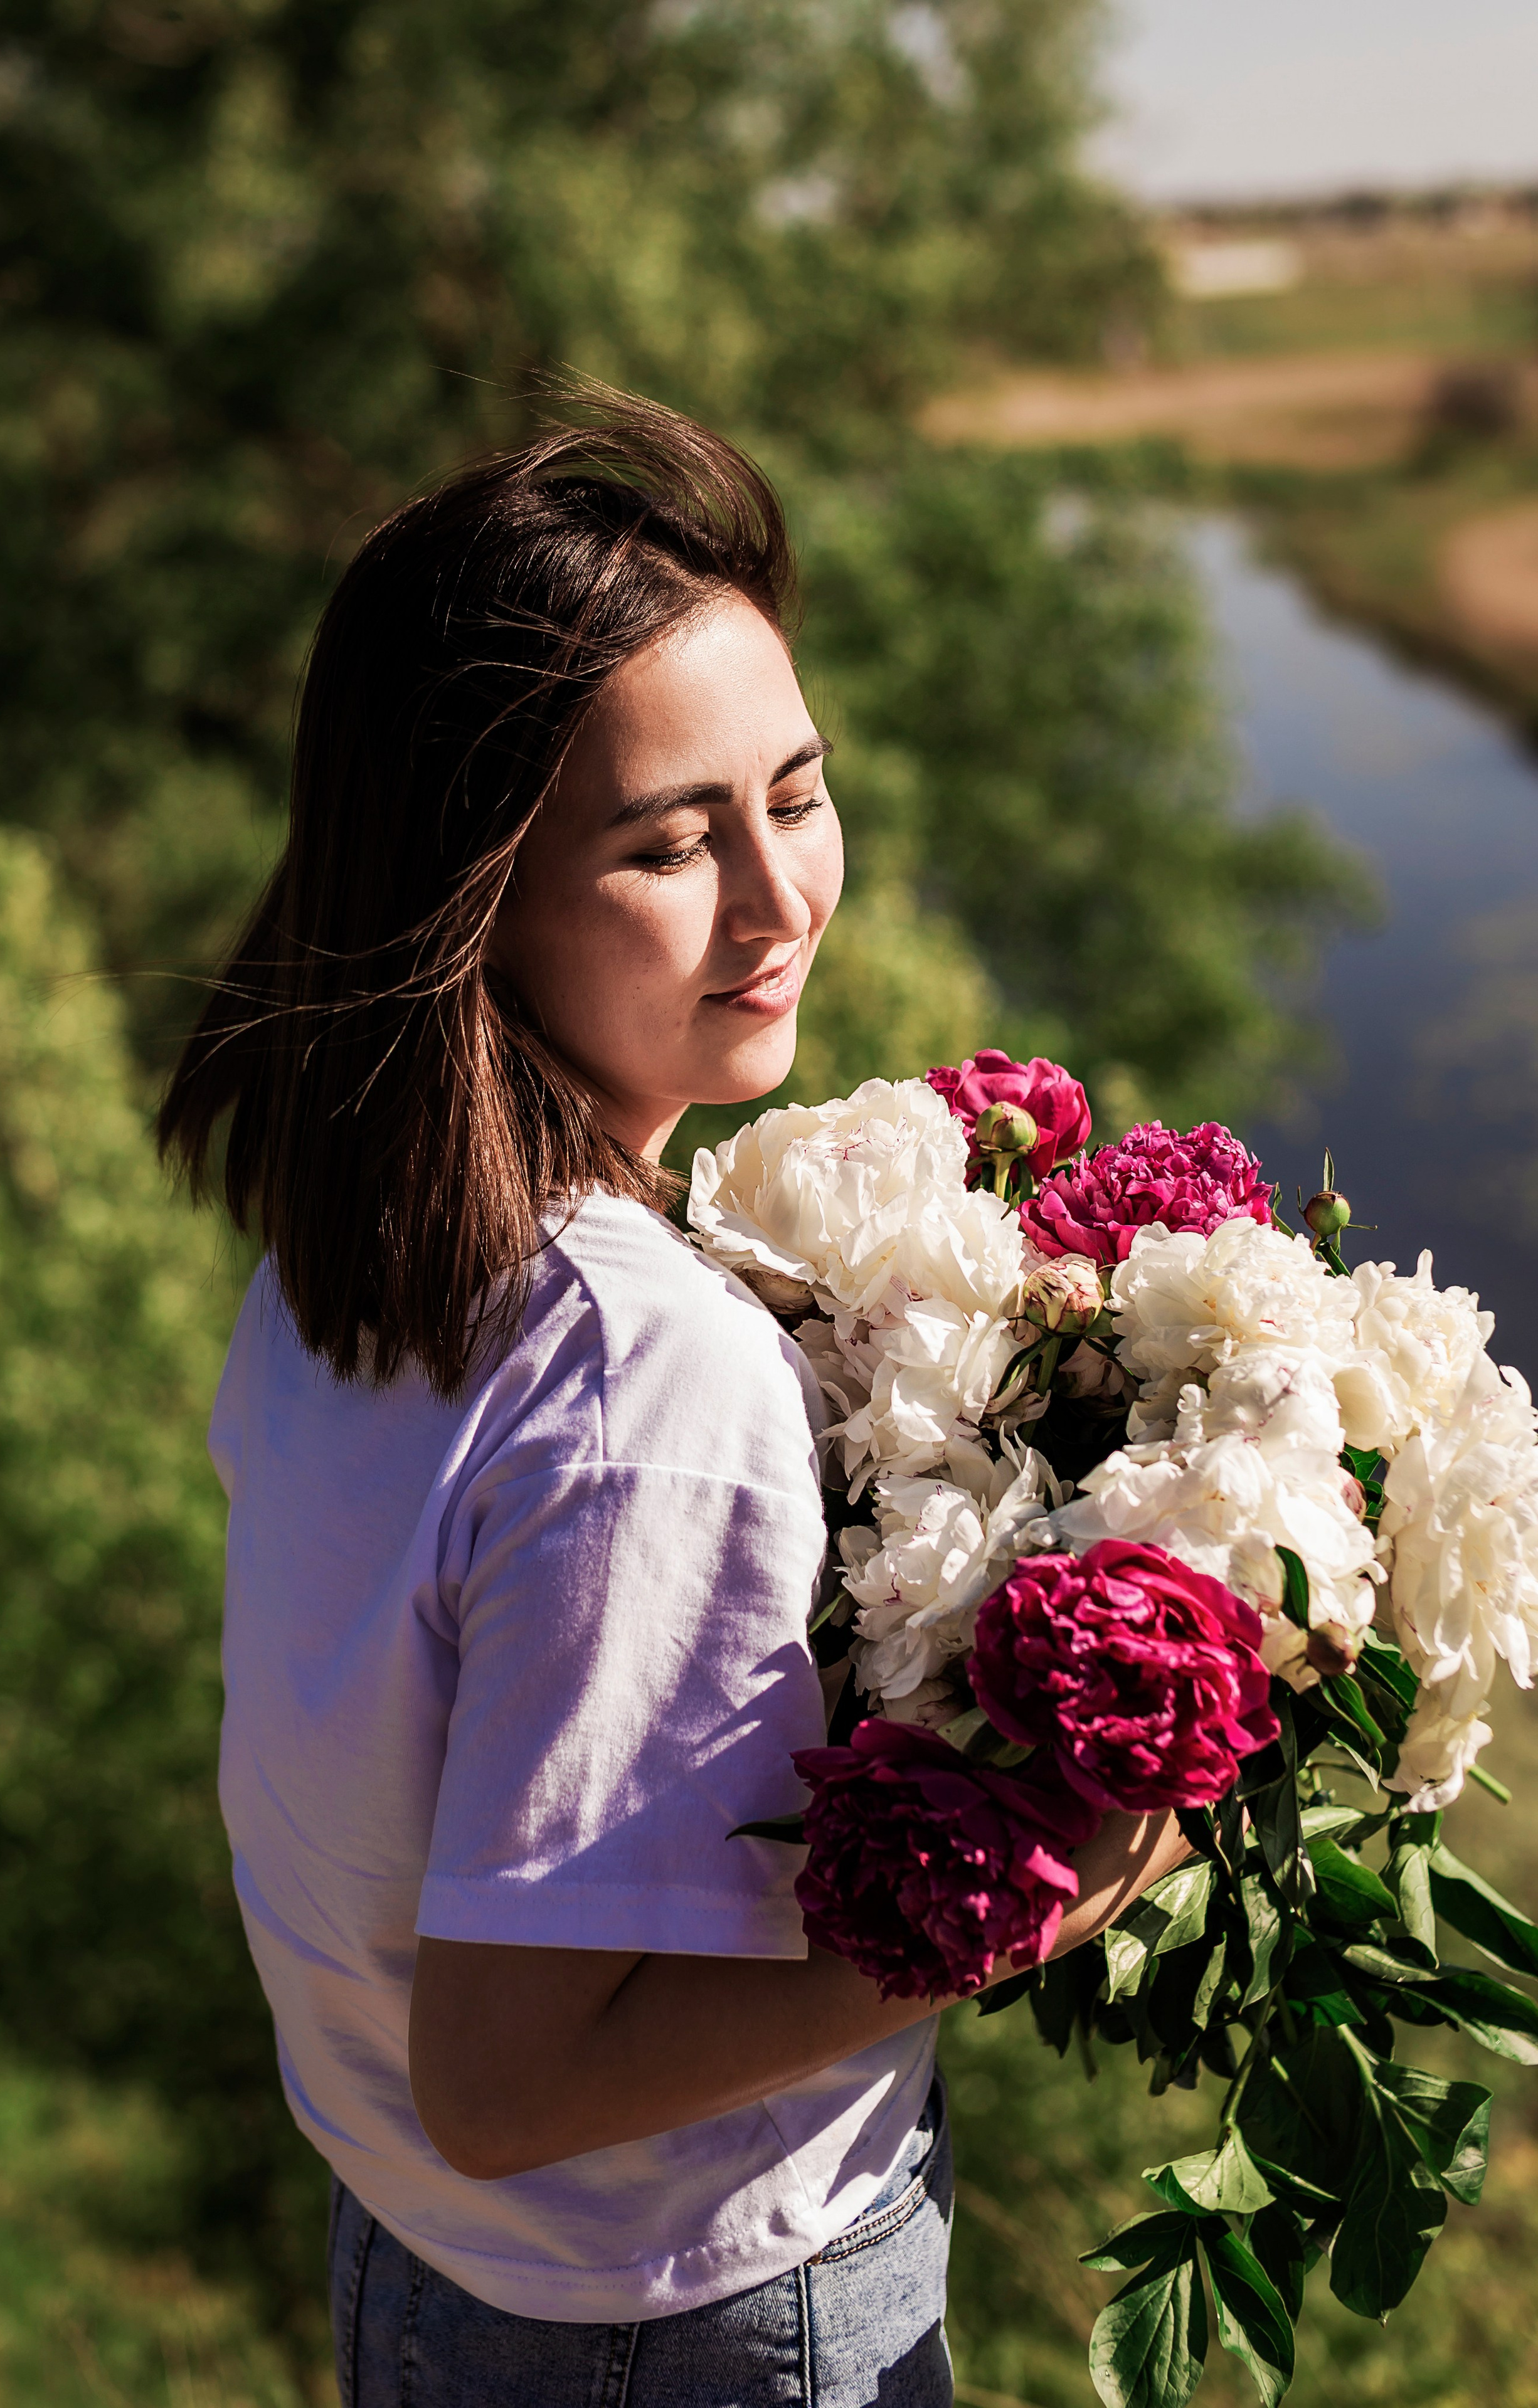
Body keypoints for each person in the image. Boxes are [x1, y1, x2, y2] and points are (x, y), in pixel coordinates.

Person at [159, 393, 1192, 2408]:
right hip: (680, 2323)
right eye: (666, 844)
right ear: (472, 892)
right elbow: (506, 2081)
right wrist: (1032, 1900)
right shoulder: (642, 1369)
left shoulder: (352, 1251)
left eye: (794, 796)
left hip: (425, 2269)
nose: (778, 898)